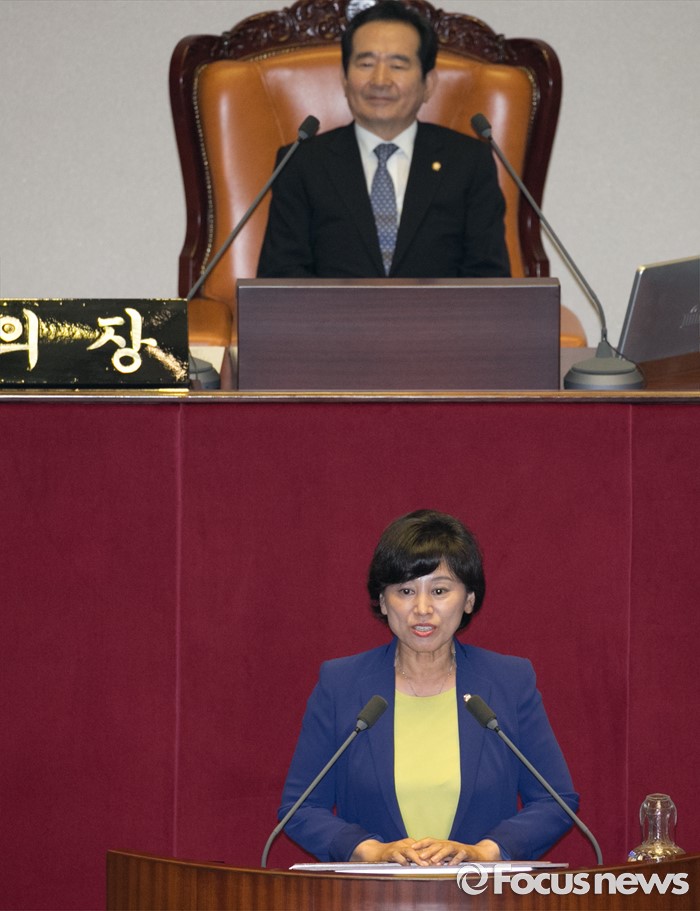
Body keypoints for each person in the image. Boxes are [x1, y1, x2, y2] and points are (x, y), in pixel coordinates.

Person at [278, 509, 578, 865]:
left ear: (468, 599)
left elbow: (555, 801)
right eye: (405, 591)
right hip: (370, 893)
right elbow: (300, 808)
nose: (422, 609)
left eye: (439, 590)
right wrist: (370, 850)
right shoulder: (341, 685)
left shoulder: (509, 683)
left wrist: (486, 851)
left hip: (480, 891)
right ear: (383, 601)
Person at [257, 0, 510, 280]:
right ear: (344, 79)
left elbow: (488, 276)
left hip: (442, 311)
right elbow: (281, 276)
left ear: (428, 84)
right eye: (366, 64)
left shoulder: (468, 161)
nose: (380, 80)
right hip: (328, 311)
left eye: (398, 66)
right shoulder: (302, 163)